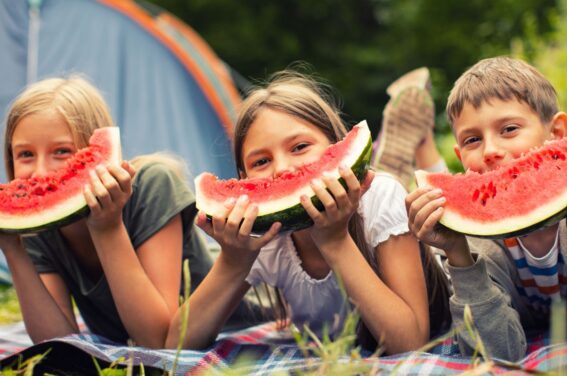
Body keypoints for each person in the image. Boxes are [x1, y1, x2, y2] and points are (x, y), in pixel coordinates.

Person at [166, 71, 451, 354]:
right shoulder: (263, 234)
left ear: (336, 145)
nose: (283, 169)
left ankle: (407, 141)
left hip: (422, 255)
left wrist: (335, 242)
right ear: (243, 179)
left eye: (300, 147)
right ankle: (398, 145)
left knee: (393, 181)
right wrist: (233, 261)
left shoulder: (381, 199)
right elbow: (177, 344)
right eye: (261, 161)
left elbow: (410, 342)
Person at [406, 56, 567, 361]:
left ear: (558, 133)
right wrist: (459, 255)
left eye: (509, 129)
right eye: (472, 140)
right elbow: (495, 355)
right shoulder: (473, 242)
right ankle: (412, 142)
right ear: (459, 154)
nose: (491, 151)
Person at [0, 76, 217, 348]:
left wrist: (107, 228)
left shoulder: (153, 186)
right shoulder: (37, 222)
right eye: (26, 155)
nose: (41, 172)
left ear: (91, 151)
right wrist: (13, 249)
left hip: (249, 304)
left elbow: (157, 341)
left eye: (62, 151)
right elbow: (56, 344)